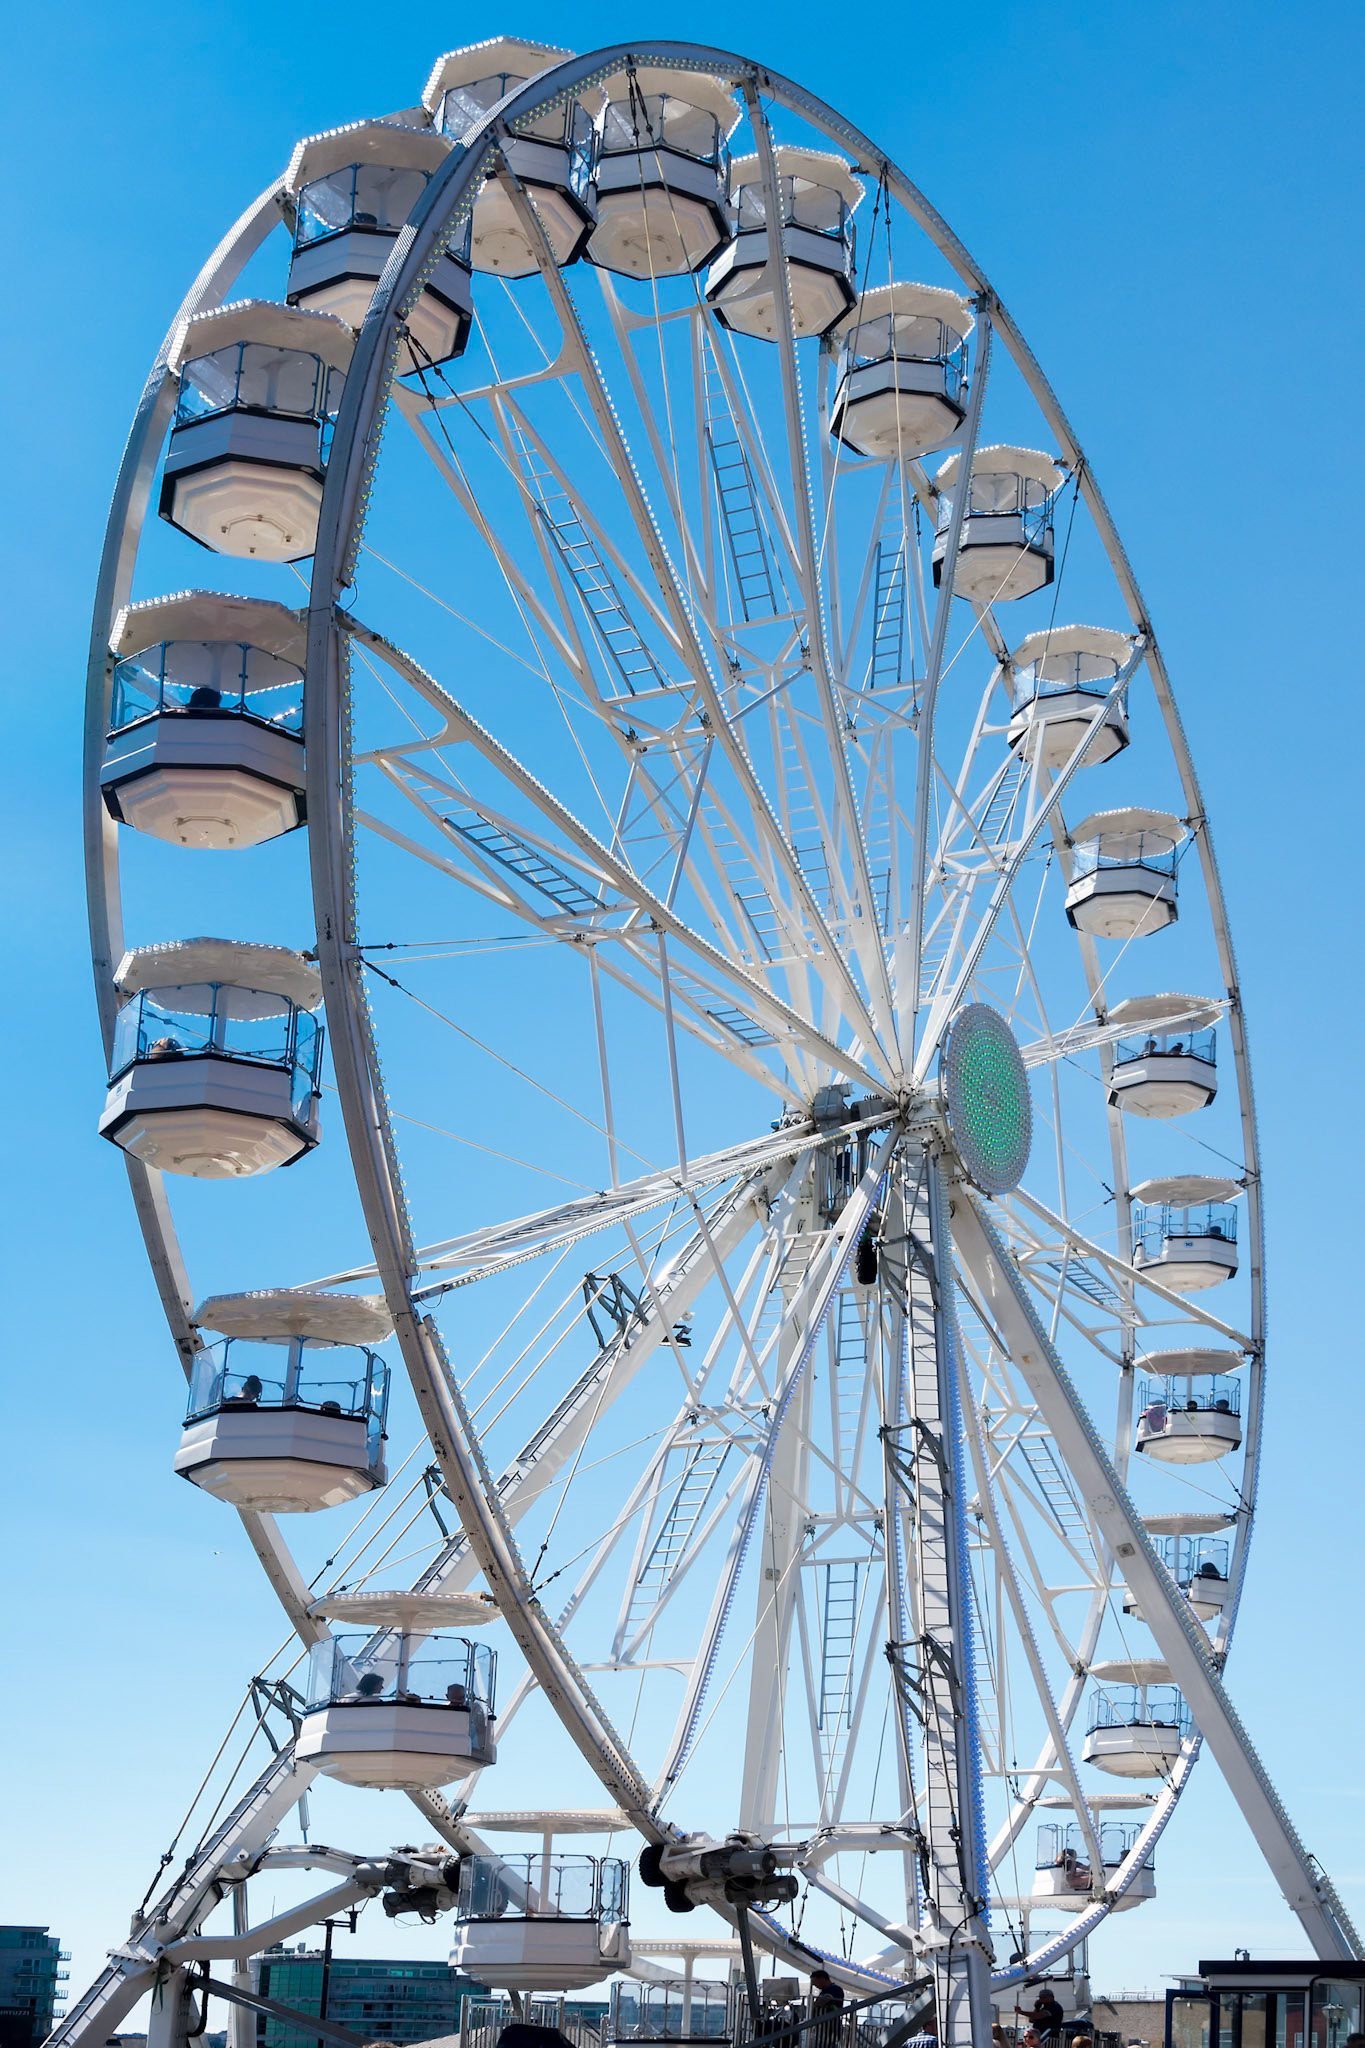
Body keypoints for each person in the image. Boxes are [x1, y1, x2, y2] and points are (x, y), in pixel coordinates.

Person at [809, 1970, 845, 2048]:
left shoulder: (834, 1989)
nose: (816, 1986)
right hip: (823, 2028)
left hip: (830, 2027)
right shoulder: (824, 1991)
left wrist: (815, 2005)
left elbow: (824, 2000)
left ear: (822, 1979)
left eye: (816, 1983)